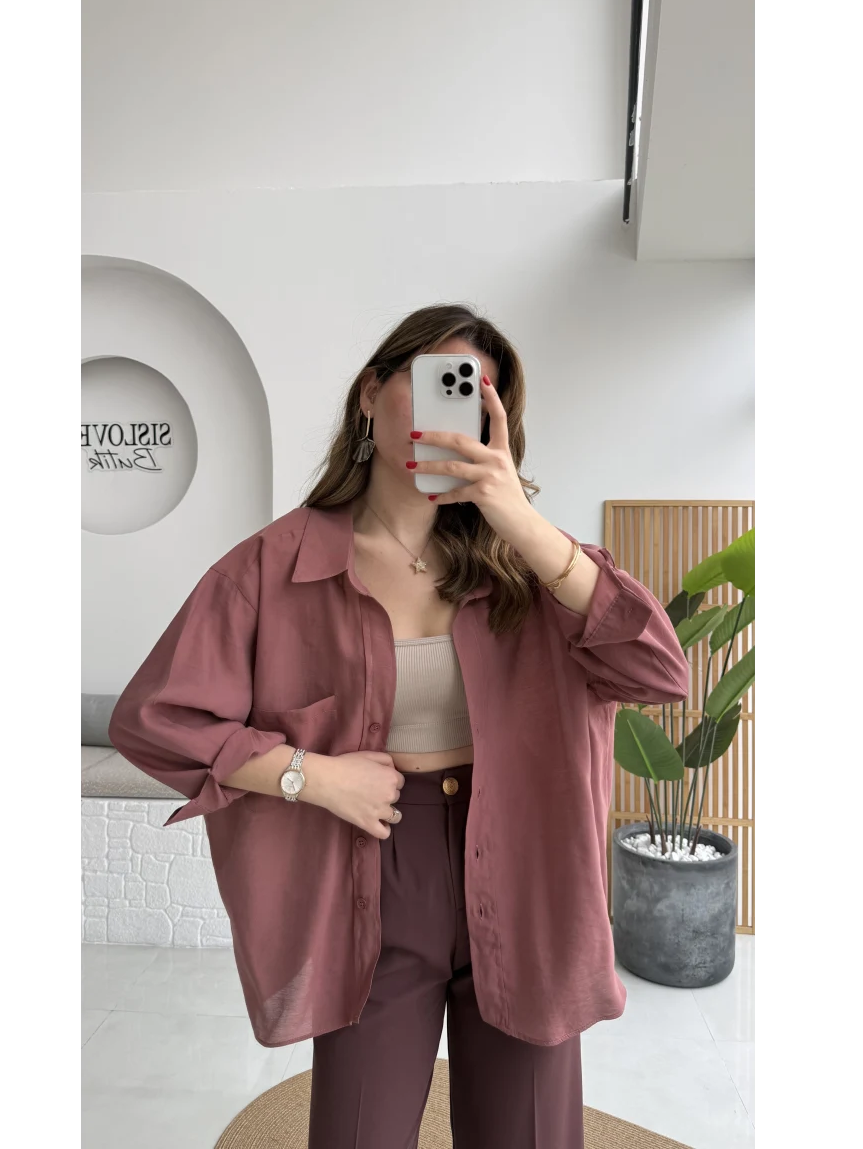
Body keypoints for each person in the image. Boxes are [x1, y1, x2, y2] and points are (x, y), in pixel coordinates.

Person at [108, 302, 690, 1149]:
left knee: (526, 1135)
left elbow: (659, 670)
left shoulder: (533, 568)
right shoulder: (274, 568)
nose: (452, 411)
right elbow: (155, 718)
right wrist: (310, 775)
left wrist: (518, 517)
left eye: (477, 397)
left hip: (525, 866)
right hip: (368, 870)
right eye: (435, 382)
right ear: (369, 395)